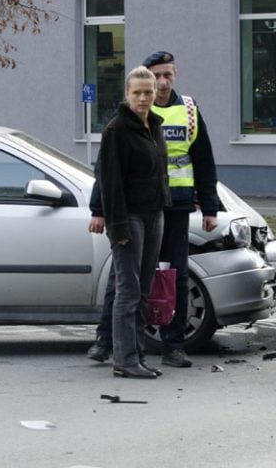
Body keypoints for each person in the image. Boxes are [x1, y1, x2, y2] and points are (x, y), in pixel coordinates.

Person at [87, 51, 219, 369]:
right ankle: (106, 342)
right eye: (154, 77)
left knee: (174, 276)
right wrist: (98, 209)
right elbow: (108, 172)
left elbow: (203, 160)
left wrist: (210, 206)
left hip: (174, 205)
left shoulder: (186, 111)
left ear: (175, 75)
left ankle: (173, 344)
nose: (160, 83)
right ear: (139, 84)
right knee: (124, 279)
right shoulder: (126, 122)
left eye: (167, 75)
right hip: (135, 209)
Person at [98, 65, 171, 379]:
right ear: (127, 94)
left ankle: (137, 355)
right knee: (128, 292)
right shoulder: (116, 130)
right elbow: (109, 183)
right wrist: (118, 229)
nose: (143, 98)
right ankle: (125, 359)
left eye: (148, 92)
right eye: (137, 93)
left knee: (143, 291)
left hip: (154, 214)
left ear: (155, 94)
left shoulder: (154, 125)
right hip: (128, 218)